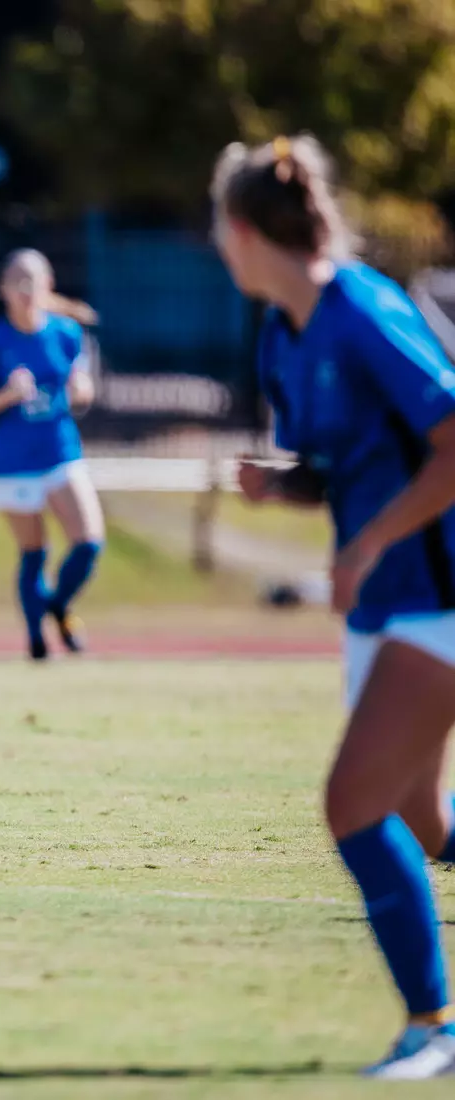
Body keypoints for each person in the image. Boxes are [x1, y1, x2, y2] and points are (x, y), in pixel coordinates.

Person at [218, 134, 455, 1079]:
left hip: (437, 593)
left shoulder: (361, 307)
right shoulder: (284, 334)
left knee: (353, 805)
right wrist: (282, 485)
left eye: (218, 229)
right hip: (385, 601)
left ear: (244, 232)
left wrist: (367, 545)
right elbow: (339, 468)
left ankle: (434, 1029)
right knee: (419, 818)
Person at [0, 249, 104, 660]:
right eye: (18, 281)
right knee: (34, 552)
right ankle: (36, 642)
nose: (27, 290)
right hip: (13, 461)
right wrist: (9, 394)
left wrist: (82, 389)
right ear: (3, 289)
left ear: (49, 286)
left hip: (59, 451)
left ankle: (57, 605)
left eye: (34, 281)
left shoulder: (65, 332)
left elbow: (81, 382)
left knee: (88, 542)